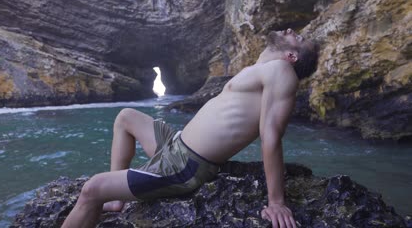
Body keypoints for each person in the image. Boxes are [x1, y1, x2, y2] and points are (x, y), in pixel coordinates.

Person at [62, 28, 320, 228]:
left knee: (92, 189)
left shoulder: (282, 71)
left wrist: (276, 202)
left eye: (296, 37)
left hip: (184, 166)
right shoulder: (261, 70)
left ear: (291, 56)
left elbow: (271, 135)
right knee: (126, 116)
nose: (289, 31)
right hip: (174, 144)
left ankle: (108, 194)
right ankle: (117, 200)